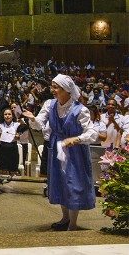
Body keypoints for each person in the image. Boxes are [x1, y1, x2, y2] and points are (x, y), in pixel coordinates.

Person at [23, 74, 97, 231]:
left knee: (73, 183)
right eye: (52, 86)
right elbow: (38, 125)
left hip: (75, 151)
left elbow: (92, 133)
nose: (53, 90)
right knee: (60, 182)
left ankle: (73, 223)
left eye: (56, 87)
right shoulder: (50, 105)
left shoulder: (80, 110)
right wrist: (33, 118)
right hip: (57, 148)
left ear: (67, 90)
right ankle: (65, 217)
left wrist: (76, 139)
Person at [0, 108, 20, 175]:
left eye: (9, 114)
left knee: (13, 170)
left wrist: (18, 136)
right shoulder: (0, 125)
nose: (7, 116)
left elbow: (19, 137)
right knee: (3, 170)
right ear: (3, 116)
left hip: (13, 147)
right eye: (5, 114)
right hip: (3, 147)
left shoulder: (17, 124)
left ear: (12, 115)